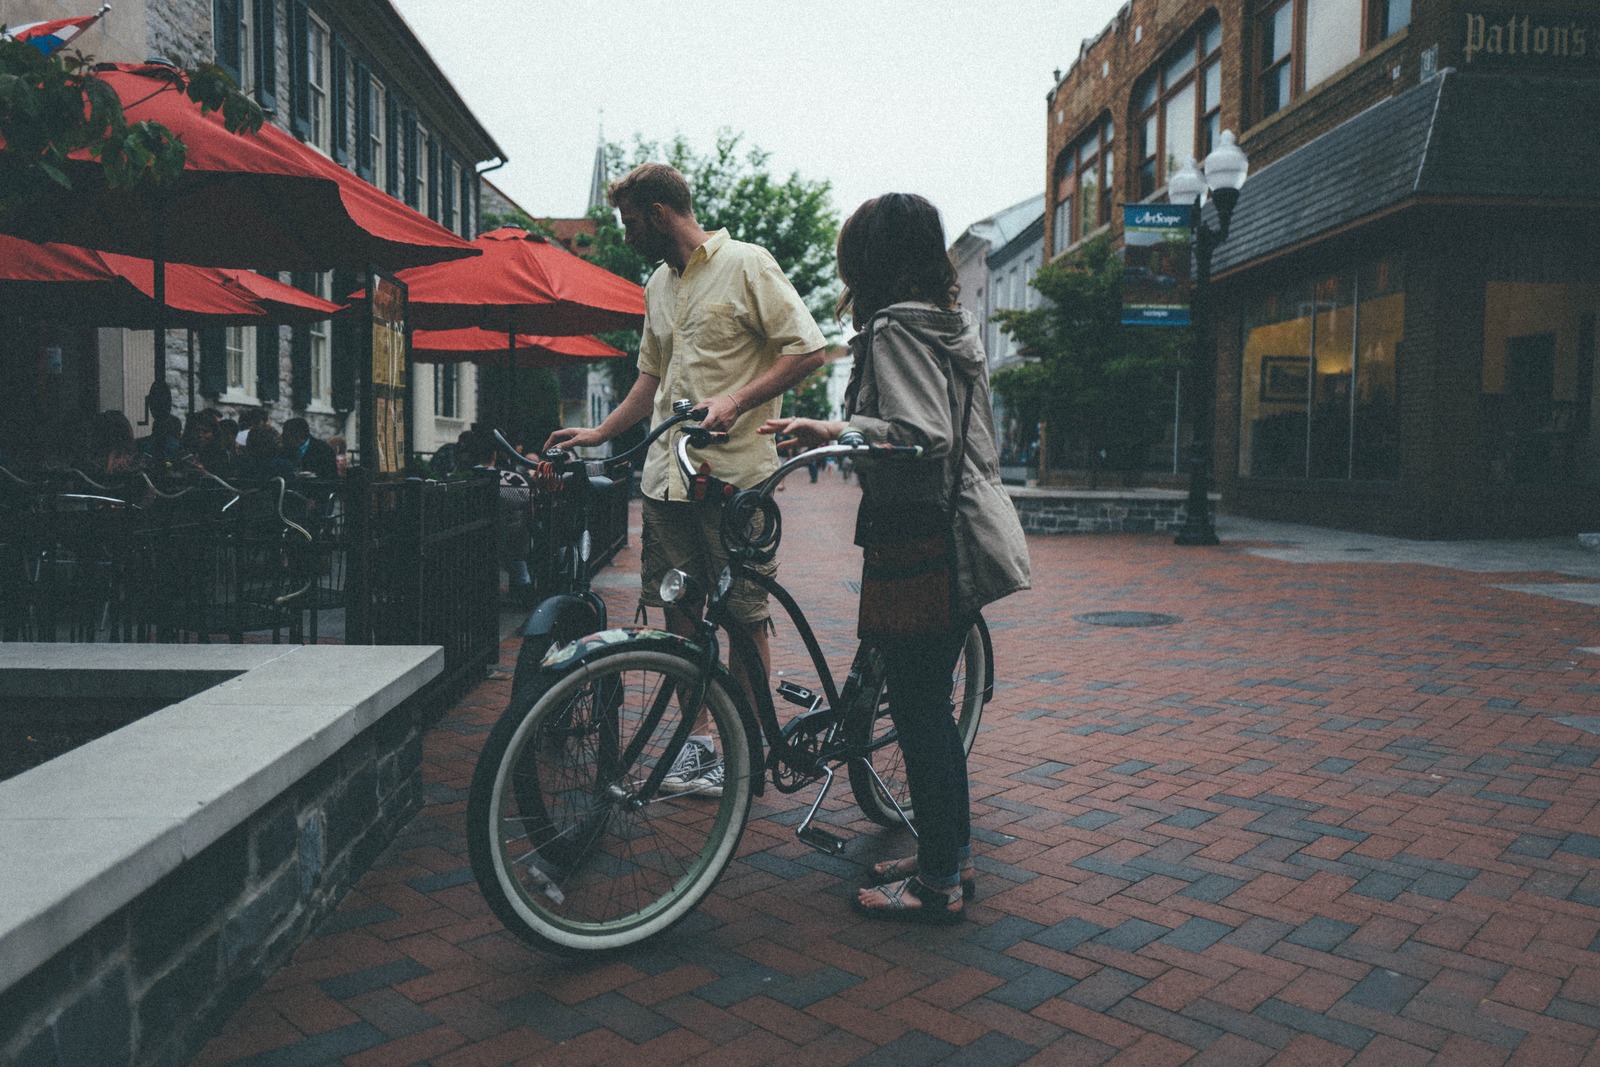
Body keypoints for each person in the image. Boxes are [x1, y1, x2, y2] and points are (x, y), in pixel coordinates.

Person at [760, 193, 1030, 923]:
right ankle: (949, 854)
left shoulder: (894, 329)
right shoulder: (940, 323)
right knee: (926, 708)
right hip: (950, 529)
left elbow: (920, 434)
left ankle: (938, 884)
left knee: (920, 714)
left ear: (871, 258)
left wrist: (833, 428)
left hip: (924, 538)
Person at [545, 162, 828, 798]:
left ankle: (745, 752)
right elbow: (650, 378)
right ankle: (697, 746)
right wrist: (600, 432)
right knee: (679, 613)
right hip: (666, 479)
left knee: (744, 618)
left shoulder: (747, 264)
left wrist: (736, 399)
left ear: (658, 212)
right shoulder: (656, 285)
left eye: (629, 222)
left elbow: (808, 350)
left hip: (734, 481)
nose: (625, 235)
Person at [455, 429, 534, 605]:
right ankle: (524, 586)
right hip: (516, 537)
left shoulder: (464, 480)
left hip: (481, 540)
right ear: (495, 454)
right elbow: (528, 510)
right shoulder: (515, 479)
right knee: (519, 556)